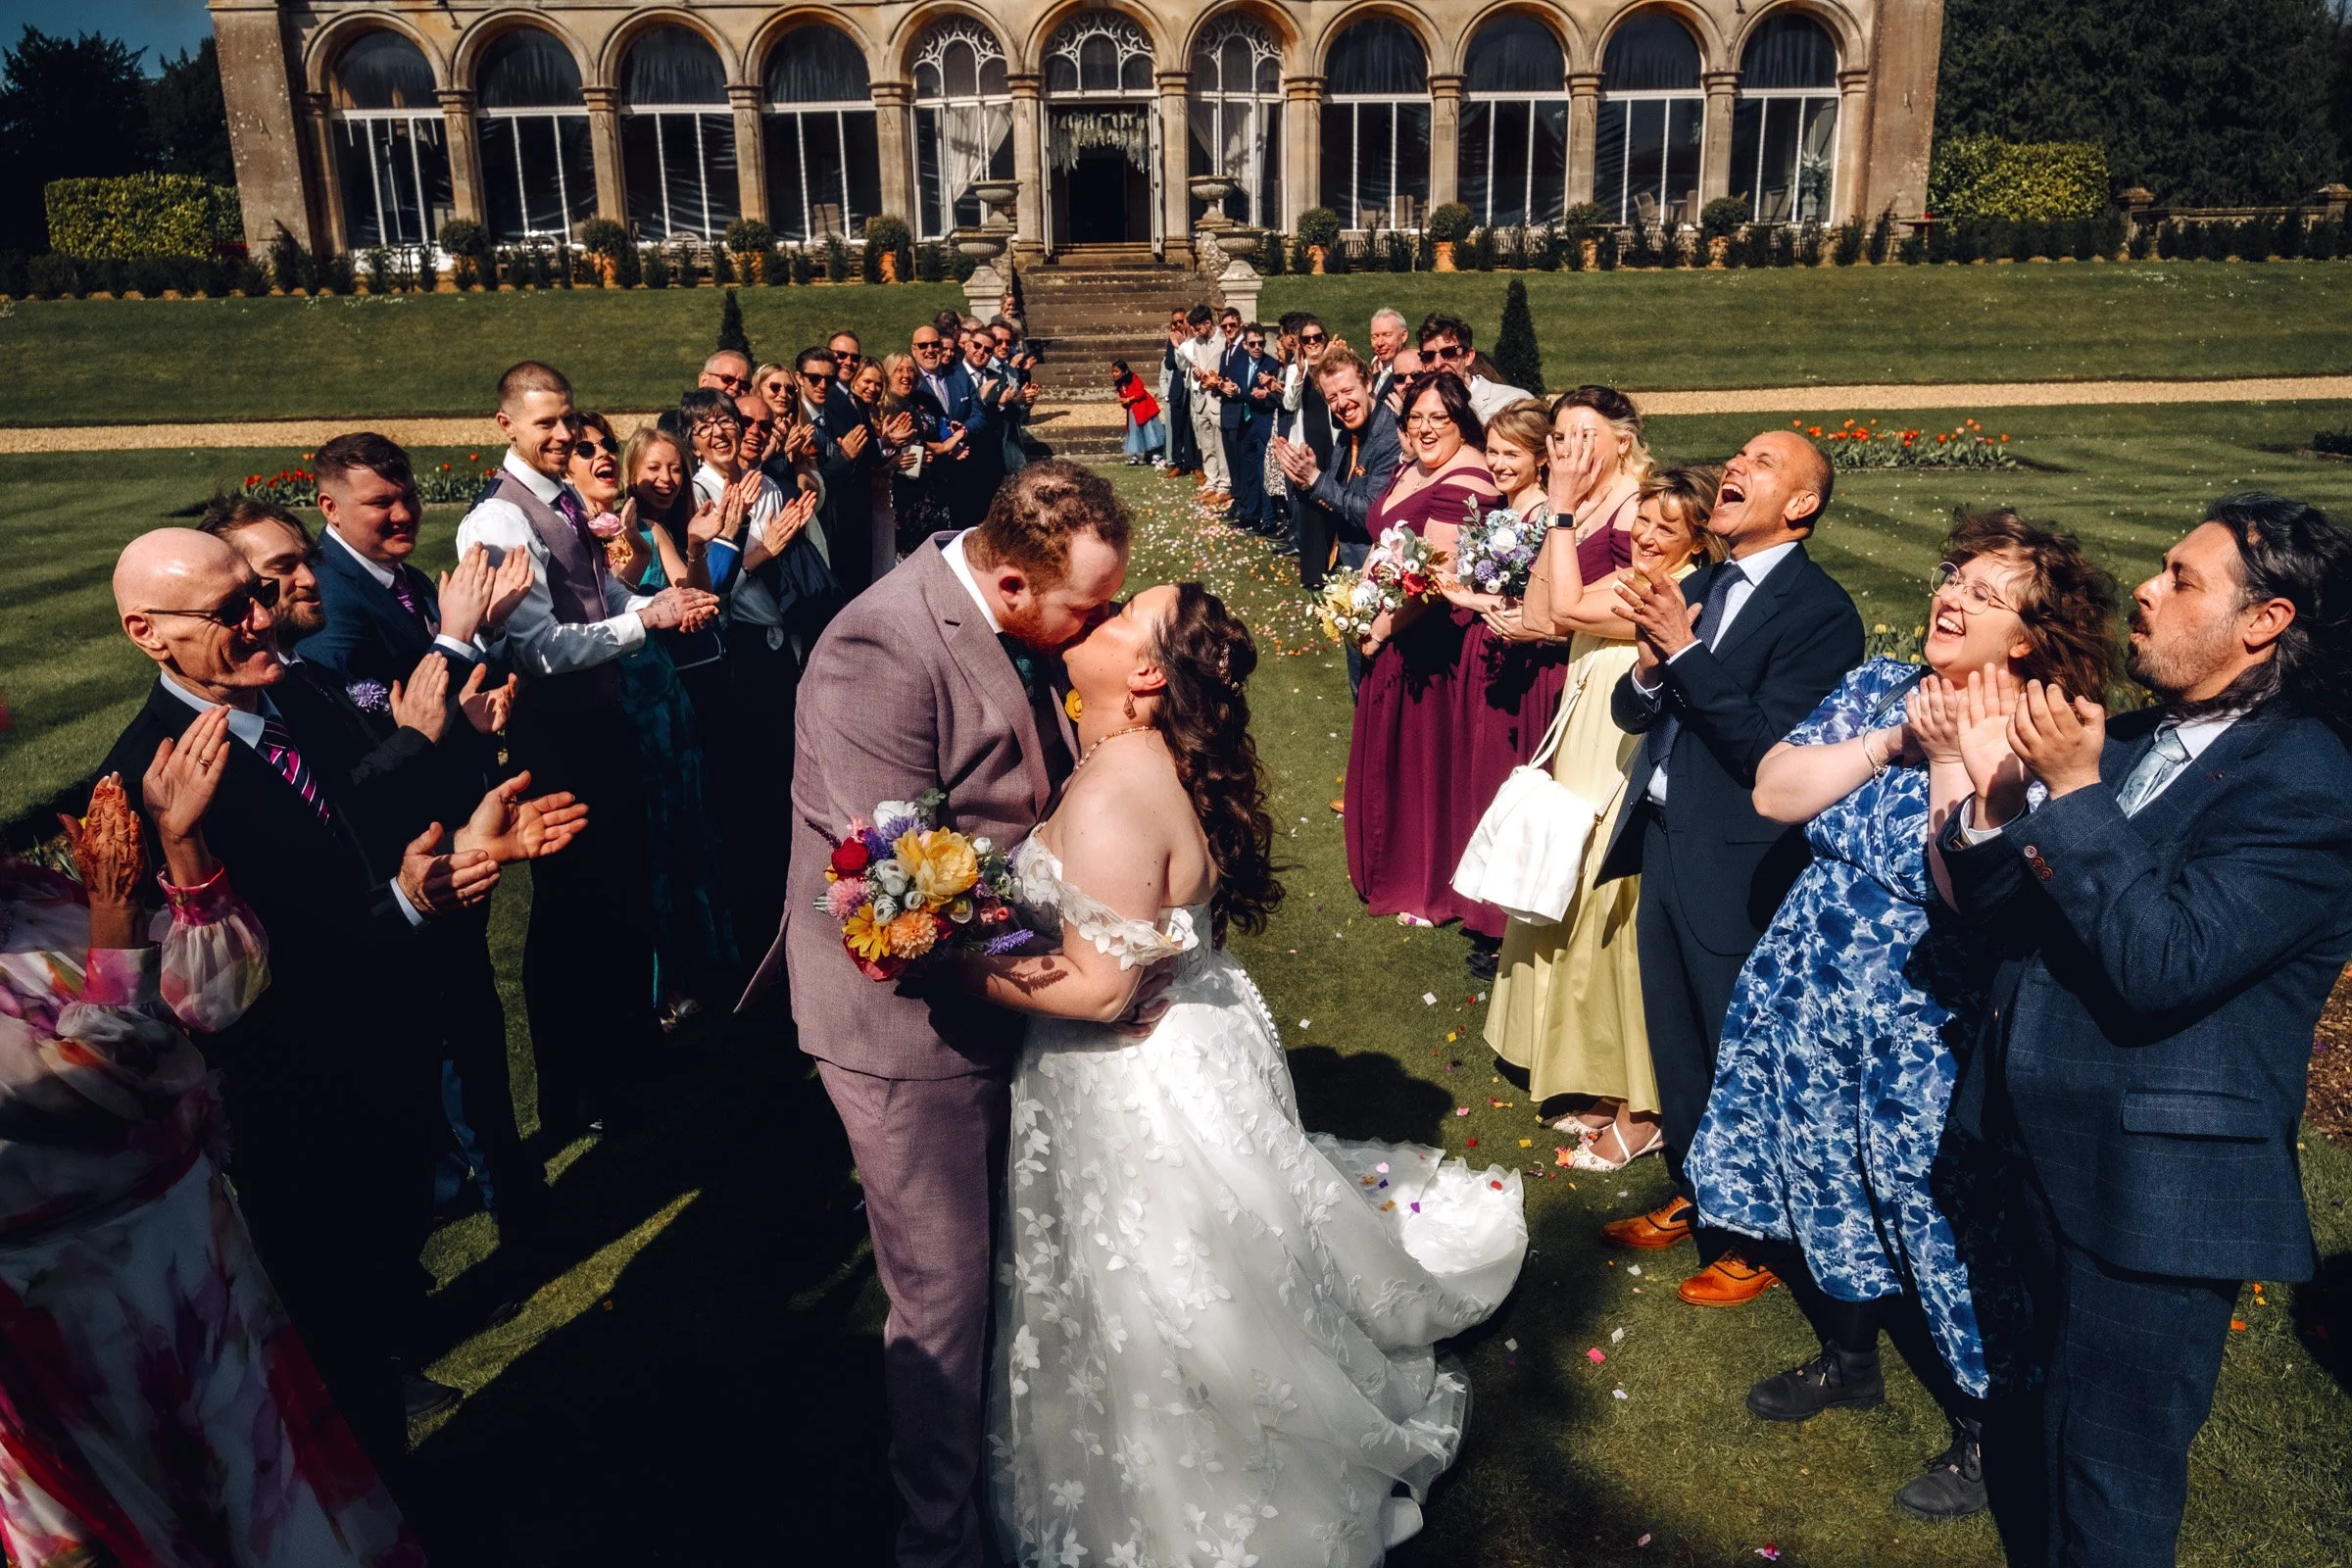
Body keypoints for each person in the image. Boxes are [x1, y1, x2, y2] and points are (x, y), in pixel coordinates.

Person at [976, 584, 1527, 1567]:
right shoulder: (1133, 759)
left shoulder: (1113, 788)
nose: (1087, 615)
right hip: (1183, 1048)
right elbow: (1099, 930)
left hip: (1131, 1079)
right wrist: (991, 919)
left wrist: (944, 955)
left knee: (1163, 1297)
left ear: (1146, 674)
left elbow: (1101, 989)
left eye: (1114, 616)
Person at [101, 526, 585, 1460]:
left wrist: (473, 840)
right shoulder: (145, 781)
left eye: (260, 592)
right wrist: (405, 905)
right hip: (298, 1107)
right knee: (336, 1347)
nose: (262, 616)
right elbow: (232, 989)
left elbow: (368, 817)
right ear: (148, 635)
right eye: (230, 609)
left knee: (386, 1281)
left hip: (391, 1053)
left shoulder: (296, 696)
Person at [1937, 495, 2352, 1568]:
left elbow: (2163, 963)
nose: (2146, 589)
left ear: (2265, 623)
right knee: (2048, 1434)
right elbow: (2001, 916)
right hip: (2047, 1149)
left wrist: (2071, 793)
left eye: (2182, 578)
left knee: (2111, 1475)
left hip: (2162, 1189)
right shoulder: (2128, 738)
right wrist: (1995, 801)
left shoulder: (2308, 780)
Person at [1690, 511, 2120, 1520]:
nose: (1954, 596)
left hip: (1920, 1018)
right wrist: (1894, 736)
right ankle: (1849, 1356)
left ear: (2026, 634)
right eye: (1953, 575)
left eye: (1986, 591)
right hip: (1805, 981)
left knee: (1934, 1210)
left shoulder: (2034, 733)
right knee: (1817, 1164)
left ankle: (1986, 1422)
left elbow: (1961, 892)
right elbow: (1773, 790)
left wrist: (1941, 760)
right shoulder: (1880, 685)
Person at [750, 460, 1128, 1568]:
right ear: (1010, 585)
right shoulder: (880, 649)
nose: (1100, 627)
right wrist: (1069, 970)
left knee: (1016, 1263)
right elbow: (902, 881)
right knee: (945, 1298)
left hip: (999, 995)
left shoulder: (1005, 606)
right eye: (1087, 610)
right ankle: (939, 1542)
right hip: (907, 1029)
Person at [0, 764, 424, 1567]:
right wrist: (117, 919)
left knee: (274, 1504)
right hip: (74, 1323)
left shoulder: (27, 894)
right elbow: (102, 1080)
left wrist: (182, 850)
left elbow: (219, 999)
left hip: (198, 1271)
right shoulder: (79, 906)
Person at [1592, 429, 1863, 1307]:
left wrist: (1686, 653)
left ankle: (1753, 1238)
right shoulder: (1699, 585)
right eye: (1737, 458)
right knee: (1673, 1035)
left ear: (1802, 505)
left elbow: (1774, 752)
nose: (1735, 469)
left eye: (1761, 465)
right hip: (1665, 838)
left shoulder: (1821, 613)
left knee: (1735, 1042)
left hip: (1741, 858)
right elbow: (1636, 713)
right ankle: (1698, 1189)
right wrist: (1645, 666)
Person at [455, 361, 720, 1143]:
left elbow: (597, 603)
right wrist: (651, 621)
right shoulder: (500, 521)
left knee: (622, 902)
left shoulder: (560, 500)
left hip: (602, 729)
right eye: (545, 423)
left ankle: (632, 1058)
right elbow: (537, 649)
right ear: (505, 425)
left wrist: (660, 603)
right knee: (573, 918)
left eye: (568, 419)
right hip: (555, 740)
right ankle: (577, 1095)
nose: (564, 434)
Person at [289, 434, 542, 1238]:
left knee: (455, 1027)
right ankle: (511, 1205)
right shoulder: (330, 604)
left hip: (451, 832)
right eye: (380, 504)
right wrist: (459, 637)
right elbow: (379, 742)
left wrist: (478, 668)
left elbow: (430, 720)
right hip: (402, 860)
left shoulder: (396, 582)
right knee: (455, 1032)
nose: (402, 514)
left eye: (406, 497)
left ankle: (457, 1181)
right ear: (328, 507)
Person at [1487, 467, 1722, 1164]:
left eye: (1665, 527)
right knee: (1568, 900)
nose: (1645, 535)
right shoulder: (1627, 578)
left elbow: (1565, 611)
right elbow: (1557, 606)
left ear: (1697, 541)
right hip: (1586, 758)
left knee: (1608, 916)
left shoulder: (1670, 596)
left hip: (1623, 765)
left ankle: (1636, 1098)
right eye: (1642, 518)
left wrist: (1560, 511)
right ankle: (1580, 1071)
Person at [1439, 396, 1623, 977]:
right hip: (1521, 651)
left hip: (1558, 665)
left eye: (1585, 435)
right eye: (1563, 437)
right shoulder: (1565, 508)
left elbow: (1558, 608)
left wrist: (1492, 604)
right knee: (1497, 782)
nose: (1573, 448)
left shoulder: (1598, 507)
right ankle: (1500, 914)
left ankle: (1512, 922)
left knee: (1531, 786)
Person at [574, 415, 743, 1019]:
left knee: (684, 830)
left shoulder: (650, 526)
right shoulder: (605, 527)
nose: (668, 478)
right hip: (626, 694)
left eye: (675, 468)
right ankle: (655, 984)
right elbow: (606, 594)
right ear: (629, 472)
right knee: (649, 838)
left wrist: (698, 546)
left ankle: (696, 960)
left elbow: (688, 588)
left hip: (665, 693)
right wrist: (631, 551)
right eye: (654, 469)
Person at [1343, 373, 1503, 928]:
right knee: (1393, 753)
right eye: (1416, 418)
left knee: (1425, 762)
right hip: (1391, 629)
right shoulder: (1413, 466)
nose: (1426, 428)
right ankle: (1391, 863)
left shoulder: (1467, 476)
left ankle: (1427, 881)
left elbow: (1438, 578)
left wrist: (1382, 628)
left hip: (1432, 641)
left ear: (1462, 421)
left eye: (1440, 418)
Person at [686, 388, 834, 956]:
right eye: (710, 426)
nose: (725, 432)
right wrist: (761, 550)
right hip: (735, 647)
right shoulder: (699, 492)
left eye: (729, 422)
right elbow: (706, 588)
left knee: (780, 777)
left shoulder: (759, 482)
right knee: (749, 787)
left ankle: (785, 897)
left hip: (776, 639)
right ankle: (757, 917)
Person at [1274, 346, 1401, 696]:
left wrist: (1316, 479)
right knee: (1360, 689)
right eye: (1332, 398)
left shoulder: (1389, 436)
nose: (1342, 404)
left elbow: (1370, 513)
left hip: (1378, 581)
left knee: (1377, 691)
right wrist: (1303, 483)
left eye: (1347, 392)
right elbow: (1333, 498)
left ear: (1369, 384)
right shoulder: (1348, 434)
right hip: (1349, 577)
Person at [909, 320, 994, 528]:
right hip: (926, 476)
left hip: (963, 474)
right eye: (923, 346)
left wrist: (963, 431)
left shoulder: (958, 375)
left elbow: (979, 416)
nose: (930, 350)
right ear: (913, 350)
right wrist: (946, 443)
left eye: (935, 345)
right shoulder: (909, 380)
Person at [1214, 321, 1283, 539]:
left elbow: (1259, 394)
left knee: (1264, 474)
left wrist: (1239, 392)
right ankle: (1250, 514)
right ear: (1244, 345)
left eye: (1260, 343)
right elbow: (1227, 383)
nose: (1257, 347)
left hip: (1261, 423)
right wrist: (1224, 388)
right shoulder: (1238, 362)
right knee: (1247, 472)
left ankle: (1268, 519)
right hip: (1242, 423)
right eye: (1252, 343)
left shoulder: (1271, 365)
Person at [1419, 312, 1530, 420]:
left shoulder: (1512, 402)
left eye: (1449, 353)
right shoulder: (1418, 408)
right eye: (1428, 356)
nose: (1437, 364)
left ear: (1468, 357)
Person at [1180, 305, 1229, 503]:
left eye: (1198, 328)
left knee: (1220, 445)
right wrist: (1197, 372)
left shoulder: (1223, 340)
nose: (1195, 332)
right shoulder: (1198, 342)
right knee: (1207, 444)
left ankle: (1224, 484)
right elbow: (1196, 365)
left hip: (1217, 398)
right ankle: (1211, 481)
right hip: (1201, 399)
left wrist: (1216, 379)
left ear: (1208, 323)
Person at [1158, 308, 1200, 480]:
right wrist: (1175, 346)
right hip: (1177, 384)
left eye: (1180, 321)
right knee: (1176, 425)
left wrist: (1183, 345)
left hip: (1192, 383)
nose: (1177, 325)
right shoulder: (1172, 339)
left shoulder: (1194, 339)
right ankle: (1177, 462)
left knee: (1191, 425)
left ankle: (1194, 463)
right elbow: (1169, 363)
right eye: (1174, 323)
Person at [1111, 358, 1164, 466]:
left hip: (1144, 408)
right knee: (1134, 431)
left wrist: (1129, 399)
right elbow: (1124, 398)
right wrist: (1124, 402)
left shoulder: (1134, 378)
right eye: (1113, 371)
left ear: (1124, 371)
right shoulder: (1120, 385)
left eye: (1116, 371)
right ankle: (1134, 455)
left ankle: (1155, 454)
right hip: (1133, 411)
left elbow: (1140, 393)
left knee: (1150, 430)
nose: (1114, 374)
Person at [1367, 306, 1409, 407]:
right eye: (1375, 337)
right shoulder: (1374, 377)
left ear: (1403, 336)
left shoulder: (1409, 377)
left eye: (1387, 335)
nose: (1380, 343)